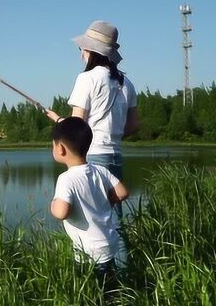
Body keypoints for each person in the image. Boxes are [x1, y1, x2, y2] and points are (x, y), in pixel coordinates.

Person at [46, 20, 139, 219]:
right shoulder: (127, 83)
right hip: (115, 156)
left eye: (82, 48)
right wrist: (110, 134)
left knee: (90, 218)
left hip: (93, 157)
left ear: (92, 50)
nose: (81, 53)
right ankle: (119, 250)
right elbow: (133, 125)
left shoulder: (87, 78)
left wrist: (60, 121)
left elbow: (76, 126)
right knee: (113, 219)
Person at [49, 117, 129, 287]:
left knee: (90, 292)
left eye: (53, 145)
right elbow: (122, 192)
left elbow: (61, 212)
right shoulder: (100, 170)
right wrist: (104, 201)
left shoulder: (66, 179)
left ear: (61, 149)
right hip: (110, 243)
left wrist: (53, 205)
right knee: (110, 288)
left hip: (88, 253)